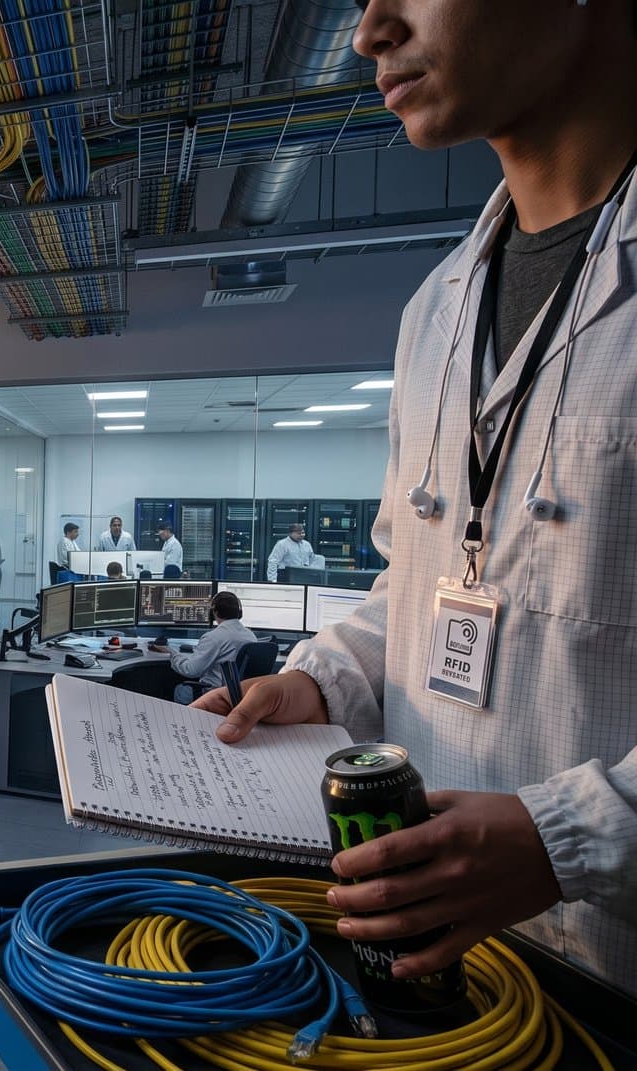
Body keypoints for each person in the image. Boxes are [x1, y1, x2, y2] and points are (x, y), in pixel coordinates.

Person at [196, 0, 637, 999]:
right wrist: (321, 682)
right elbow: (422, 581)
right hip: (443, 964)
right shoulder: (436, 308)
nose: (369, 32)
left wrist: (569, 839)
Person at [158, 592, 257, 705]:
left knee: (181, 690)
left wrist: (172, 653)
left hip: (215, 694)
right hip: (242, 696)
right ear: (239, 612)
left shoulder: (214, 637)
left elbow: (191, 670)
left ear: (214, 612)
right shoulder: (250, 635)